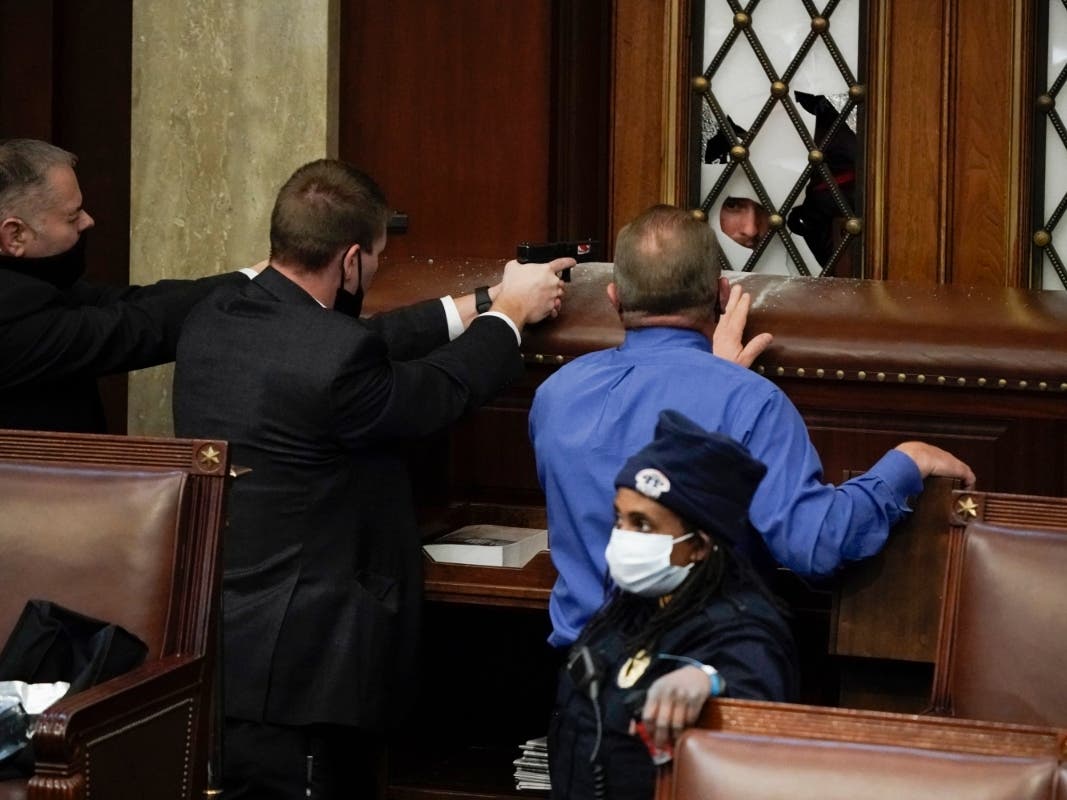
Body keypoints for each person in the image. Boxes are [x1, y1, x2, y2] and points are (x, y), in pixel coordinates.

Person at [172, 158, 571, 799]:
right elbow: (435, 391)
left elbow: (350, 340)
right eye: (379, 257)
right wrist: (510, 319)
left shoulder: (218, 315)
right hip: (307, 666)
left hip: (223, 639)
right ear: (352, 259)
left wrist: (477, 304)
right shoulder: (335, 359)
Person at [529, 204, 975, 649]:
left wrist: (717, 378)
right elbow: (816, 545)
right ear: (723, 294)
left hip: (583, 684)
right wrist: (904, 464)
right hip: (703, 684)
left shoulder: (555, 394)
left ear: (614, 298)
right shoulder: (748, 401)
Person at [550, 409, 798, 800]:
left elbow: (753, 689)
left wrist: (706, 679)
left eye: (643, 525)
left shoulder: (744, 625)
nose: (623, 537)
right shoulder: (635, 606)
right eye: (620, 519)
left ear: (698, 546)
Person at [0, 138, 258, 432]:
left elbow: (130, 301)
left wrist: (249, 277)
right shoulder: (11, 310)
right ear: (15, 235)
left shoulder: (34, 283)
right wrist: (261, 283)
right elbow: (132, 328)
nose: (88, 221)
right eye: (72, 217)